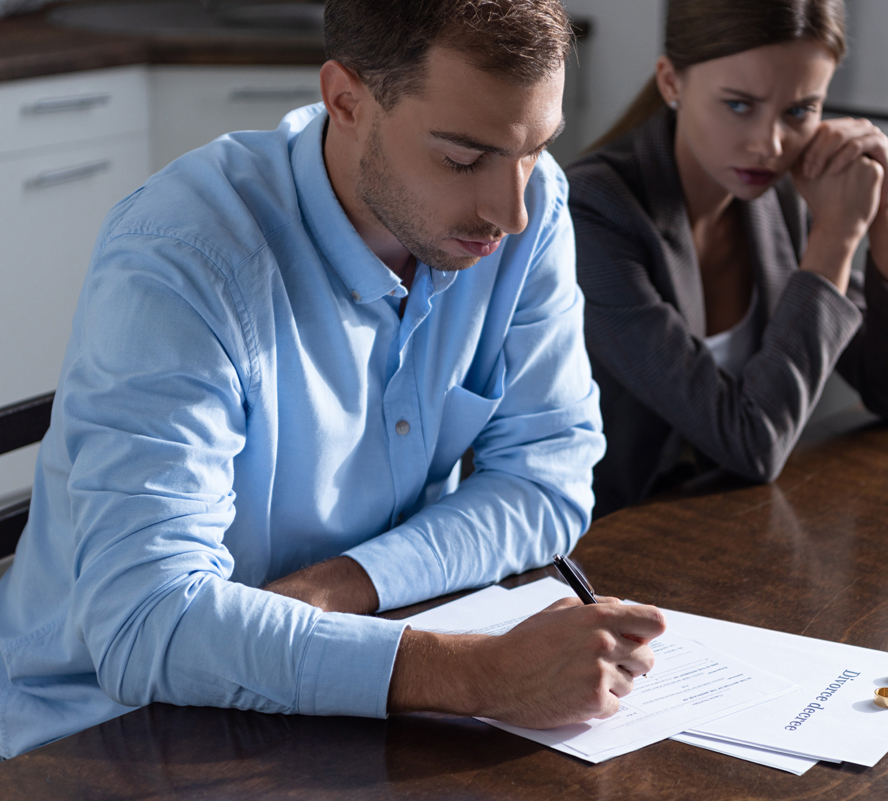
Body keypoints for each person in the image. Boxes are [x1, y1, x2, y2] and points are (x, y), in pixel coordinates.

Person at [0, 0, 666, 759]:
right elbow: (145, 623)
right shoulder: (181, 257)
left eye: (535, 147)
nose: (509, 210)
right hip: (103, 732)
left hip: (340, 691)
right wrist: (479, 674)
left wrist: (339, 588)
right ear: (346, 100)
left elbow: (548, 482)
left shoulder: (529, 205)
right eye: (461, 157)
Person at [566, 0, 888, 517]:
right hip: (602, 552)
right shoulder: (595, 213)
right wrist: (835, 238)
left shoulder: (777, 196)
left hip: (728, 532)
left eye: (799, 110)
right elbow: (751, 443)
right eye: (739, 105)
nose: (770, 144)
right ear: (672, 82)